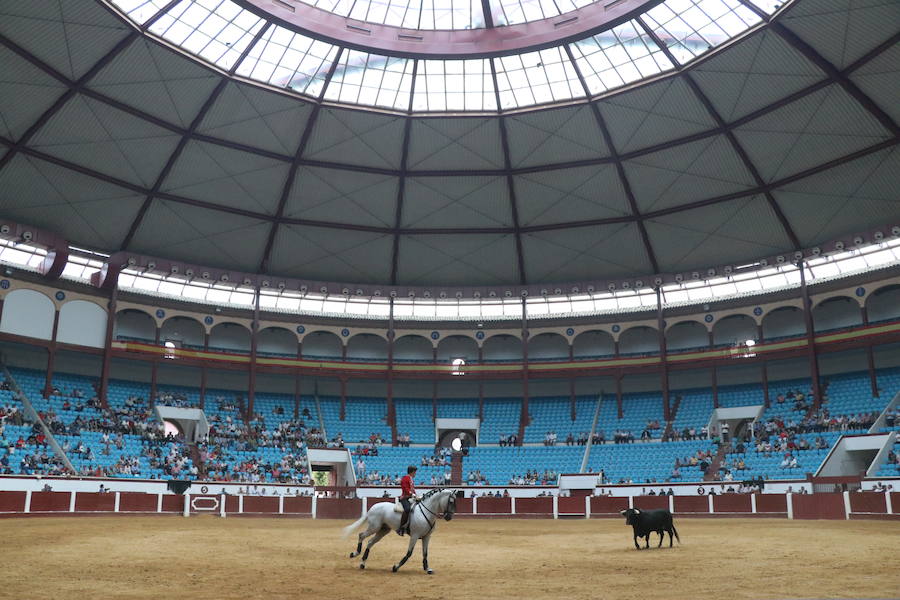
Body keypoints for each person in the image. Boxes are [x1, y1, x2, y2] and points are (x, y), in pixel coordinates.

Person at [397, 465, 418, 536]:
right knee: (407, 509)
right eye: (415, 472)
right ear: (412, 472)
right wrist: (412, 494)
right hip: (405, 497)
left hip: (411, 497)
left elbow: (412, 489)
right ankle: (401, 528)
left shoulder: (411, 479)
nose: (415, 474)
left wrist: (416, 495)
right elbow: (405, 488)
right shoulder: (405, 478)